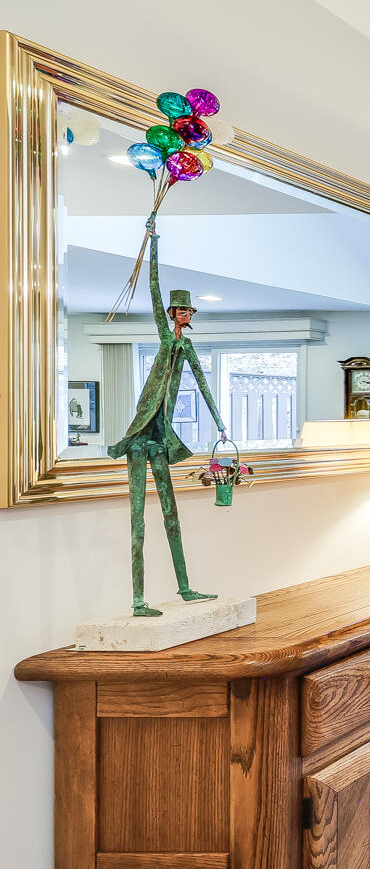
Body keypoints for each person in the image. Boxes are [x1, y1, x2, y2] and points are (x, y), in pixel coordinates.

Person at [107, 220, 227, 616]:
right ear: (172, 312)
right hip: (140, 438)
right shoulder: (162, 335)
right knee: (138, 522)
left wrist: (219, 422)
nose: (183, 314)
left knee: (172, 517)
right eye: (180, 309)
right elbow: (153, 290)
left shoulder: (187, 346)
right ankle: (138, 600)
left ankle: (186, 588)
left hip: (162, 438)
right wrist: (154, 244)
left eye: (188, 310)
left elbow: (204, 384)